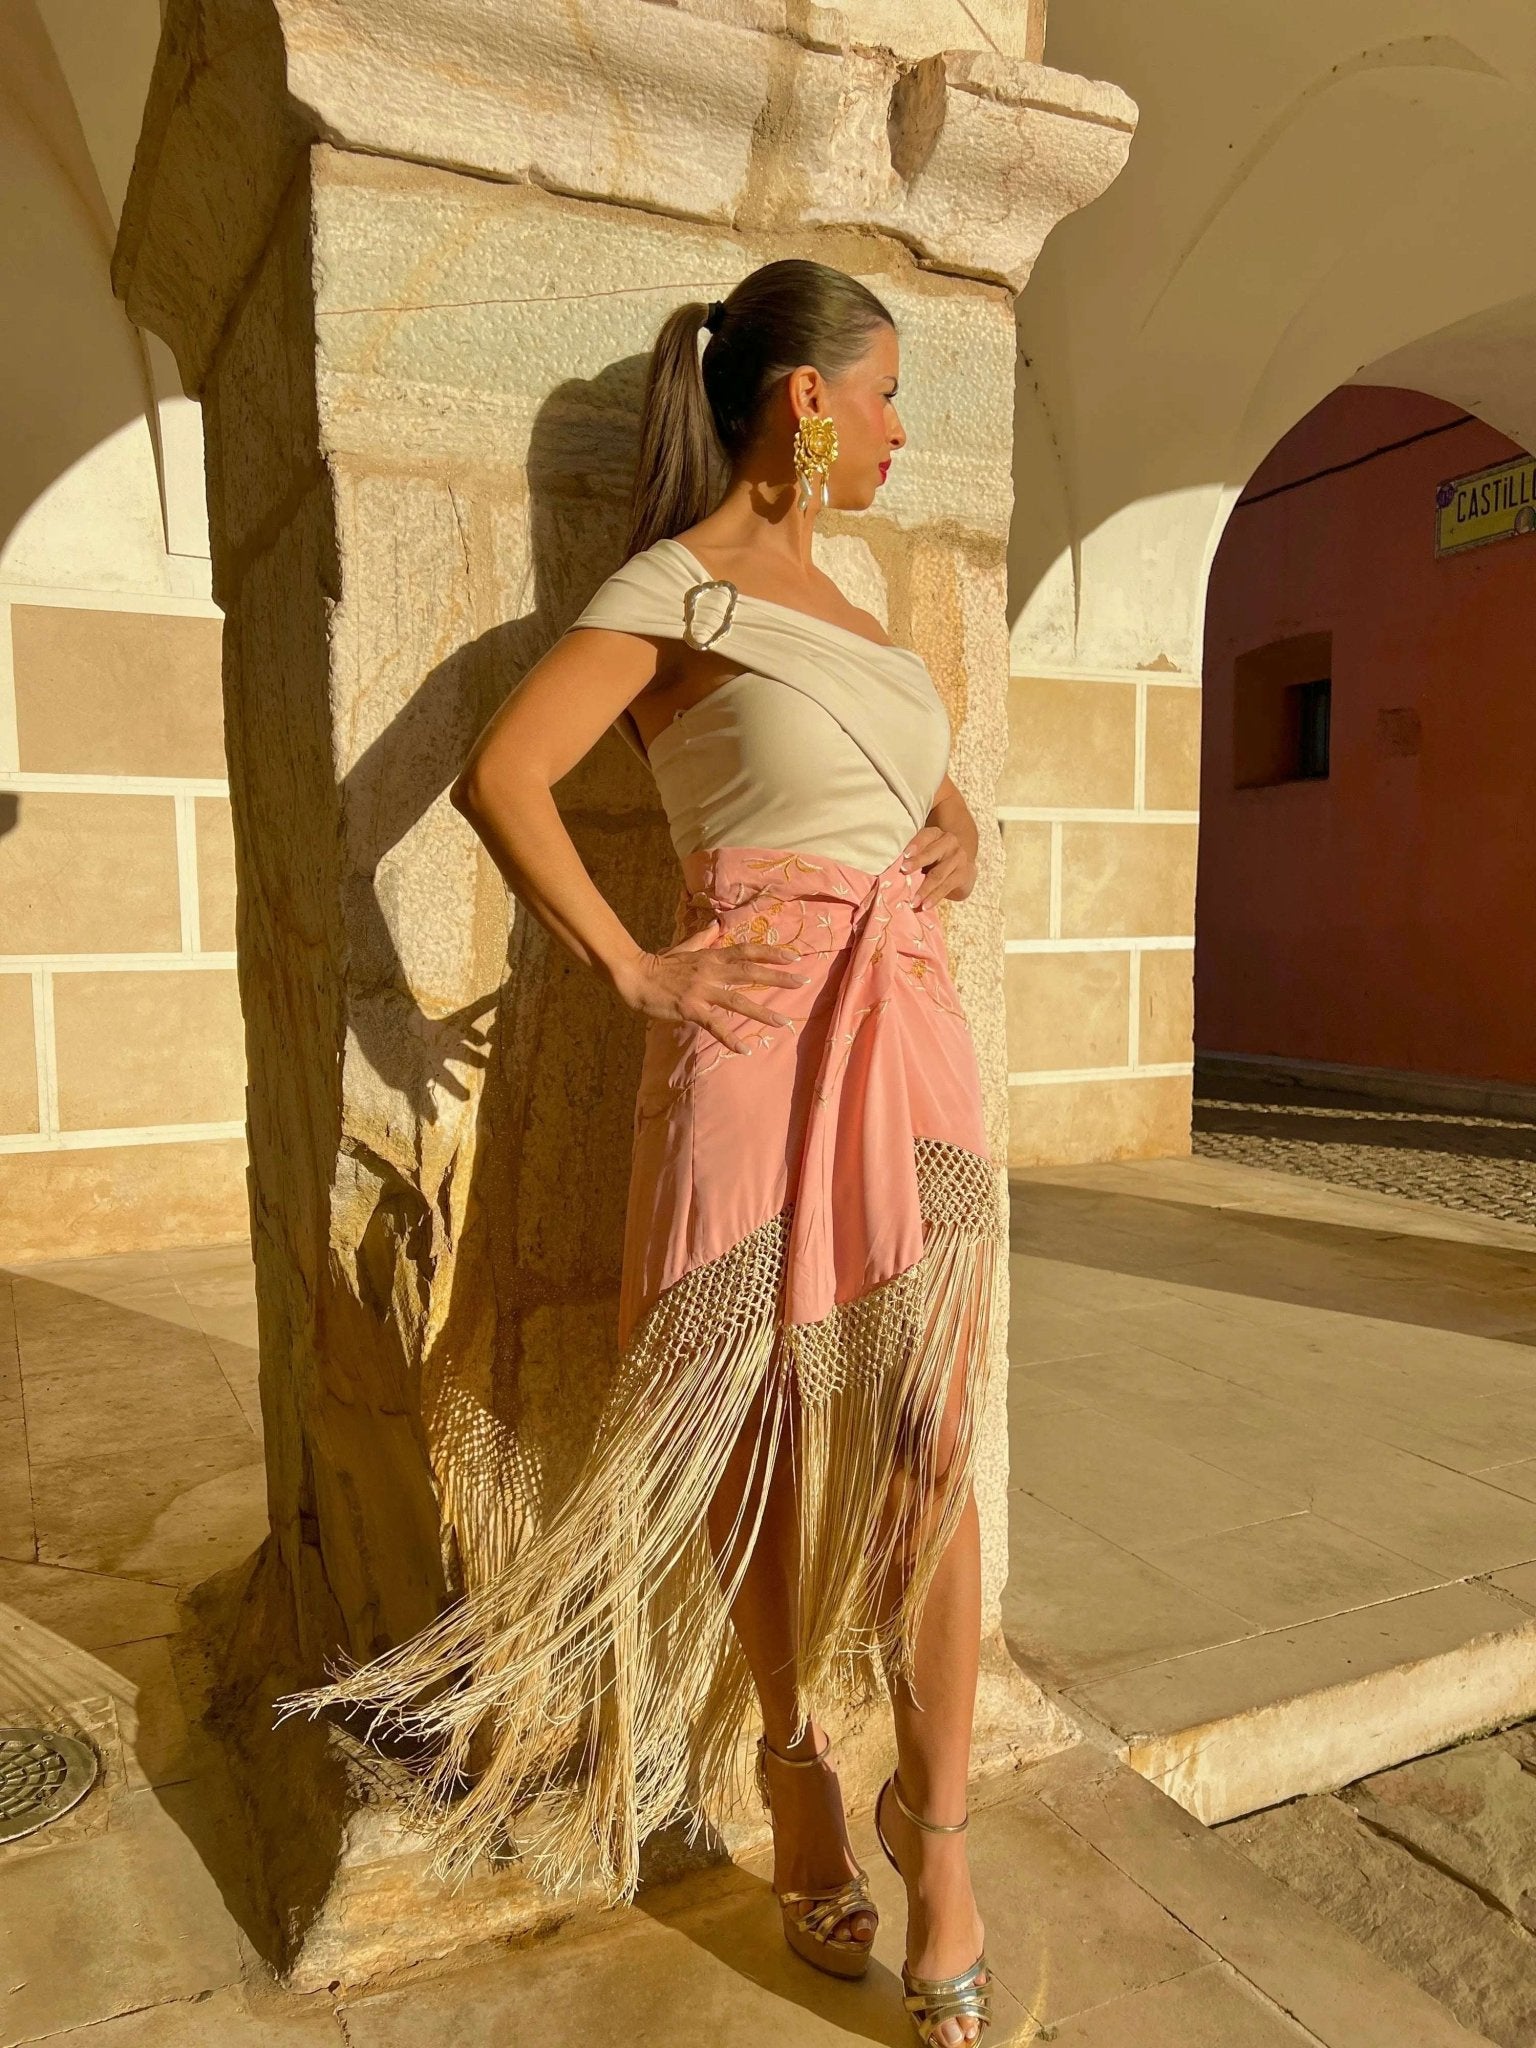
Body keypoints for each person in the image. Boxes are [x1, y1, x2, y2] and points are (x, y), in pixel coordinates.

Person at [280, 257, 1005, 2048]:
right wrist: (634, 967)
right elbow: (505, 775)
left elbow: (920, 789)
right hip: (748, 1044)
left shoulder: (862, 610)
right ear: (808, 399)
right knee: (751, 1431)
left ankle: (942, 1834)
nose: (901, 433)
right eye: (887, 394)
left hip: (909, 1034)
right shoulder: (676, 590)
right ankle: (795, 1762)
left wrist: (960, 834)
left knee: (928, 1432)